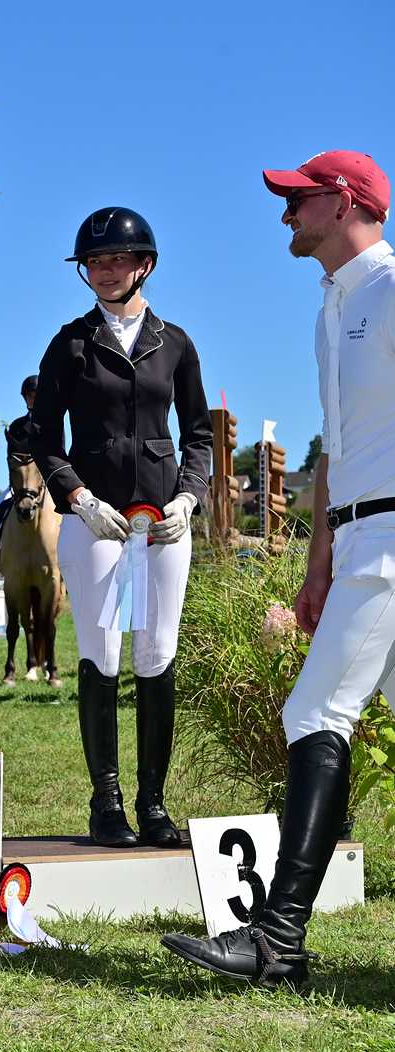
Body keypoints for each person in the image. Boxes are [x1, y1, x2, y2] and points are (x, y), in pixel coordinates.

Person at [163, 151, 391, 987]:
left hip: (391, 541)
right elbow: (336, 451)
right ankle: (276, 944)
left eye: (298, 199)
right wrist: (317, 560)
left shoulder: (389, 288)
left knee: (314, 710)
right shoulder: (332, 310)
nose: (285, 214)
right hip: (357, 539)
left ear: (343, 202)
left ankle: (276, 941)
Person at [27, 207, 212, 849]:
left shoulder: (176, 343)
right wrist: (76, 497)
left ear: (144, 265)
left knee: (157, 654)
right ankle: (105, 804)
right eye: (95, 262)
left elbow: (198, 434)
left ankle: (154, 804)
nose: (106, 271)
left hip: (163, 523)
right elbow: (43, 436)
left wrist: (189, 497)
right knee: (101, 653)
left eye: (117, 260)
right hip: (95, 522)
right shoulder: (70, 344)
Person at [0, 375, 41, 585]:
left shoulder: (53, 423)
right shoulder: (16, 426)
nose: (33, 399)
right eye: (29, 396)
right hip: (20, 485)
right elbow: (11, 461)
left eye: (36, 395)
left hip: (47, 484)